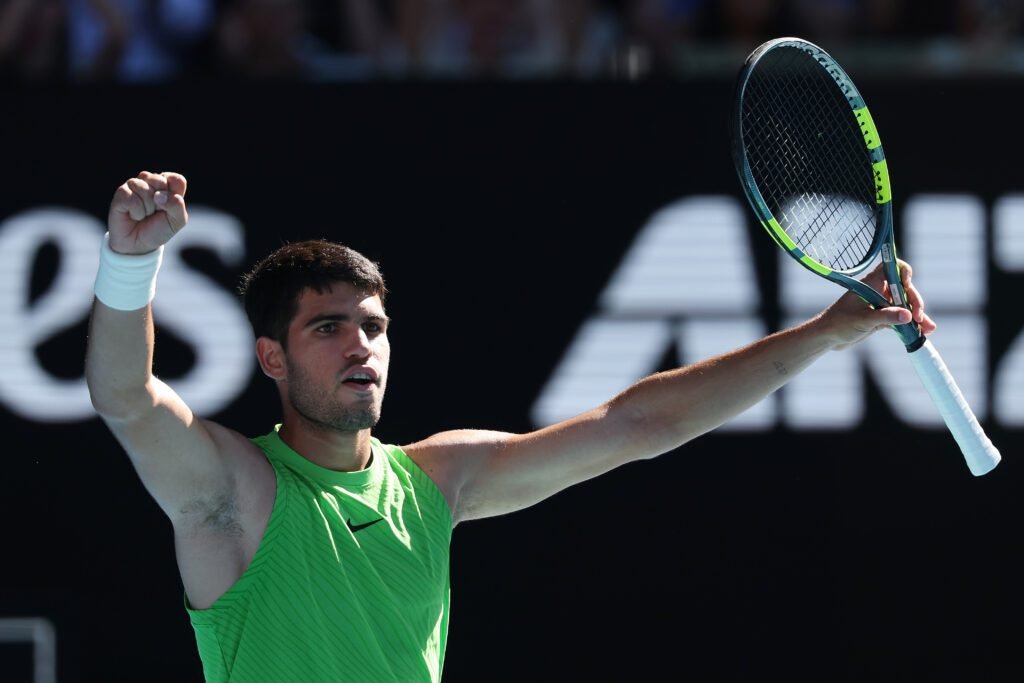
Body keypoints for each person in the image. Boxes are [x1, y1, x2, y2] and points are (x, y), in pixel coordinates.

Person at [85, 170, 936, 682]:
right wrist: (131, 262)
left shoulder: (436, 481)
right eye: (328, 327)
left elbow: (636, 423)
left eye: (374, 326)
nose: (360, 347)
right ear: (272, 358)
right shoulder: (234, 491)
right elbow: (127, 397)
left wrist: (826, 332)